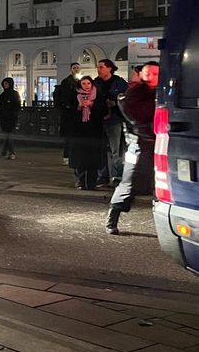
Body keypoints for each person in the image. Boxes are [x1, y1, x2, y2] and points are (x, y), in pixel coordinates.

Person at [106, 61, 159, 235]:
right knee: (129, 182)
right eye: (148, 73)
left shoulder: (162, 92)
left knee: (162, 185)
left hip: (159, 143)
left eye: (156, 73)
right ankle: (112, 217)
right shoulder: (135, 92)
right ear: (142, 75)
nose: (152, 77)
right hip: (139, 144)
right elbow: (137, 115)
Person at [95, 59, 128, 187]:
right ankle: (102, 176)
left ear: (109, 69)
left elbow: (127, 98)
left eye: (101, 67)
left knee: (117, 150)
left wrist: (116, 103)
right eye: (98, 67)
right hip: (99, 120)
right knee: (100, 149)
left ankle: (117, 176)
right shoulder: (96, 83)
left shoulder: (119, 83)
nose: (99, 69)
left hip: (115, 120)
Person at [68, 76, 105, 190]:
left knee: (93, 159)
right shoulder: (75, 96)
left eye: (88, 83)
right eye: (83, 83)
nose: (86, 86)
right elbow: (69, 113)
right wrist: (79, 106)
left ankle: (92, 183)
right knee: (80, 159)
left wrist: (92, 105)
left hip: (94, 132)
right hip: (79, 132)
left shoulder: (97, 96)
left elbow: (103, 111)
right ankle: (80, 181)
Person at [54, 63, 81, 165]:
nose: (76, 69)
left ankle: (73, 155)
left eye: (78, 68)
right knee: (69, 136)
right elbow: (66, 97)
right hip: (69, 113)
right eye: (74, 68)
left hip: (76, 111)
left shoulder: (79, 81)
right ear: (71, 69)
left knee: (75, 135)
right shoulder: (67, 82)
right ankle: (66, 155)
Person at [0, 77, 21, 159]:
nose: (5, 85)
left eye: (7, 84)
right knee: (7, 135)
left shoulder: (14, 94)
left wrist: (13, 114)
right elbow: (1, 105)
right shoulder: (3, 95)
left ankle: (11, 152)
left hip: (11, 117)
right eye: (4, 84)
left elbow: (17, 105)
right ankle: (4, 152)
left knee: (8, 134)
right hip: (4, 117)